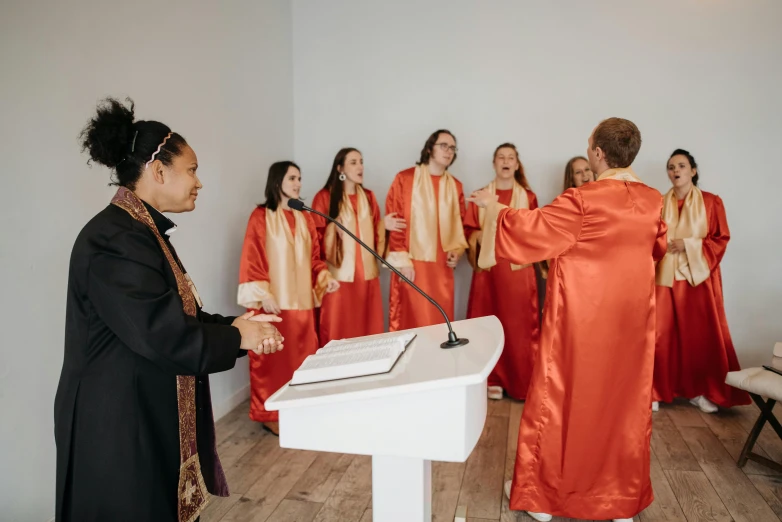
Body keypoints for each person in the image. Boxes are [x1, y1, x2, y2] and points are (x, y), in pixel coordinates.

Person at [55, 97, 284, 522]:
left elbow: (180, 315)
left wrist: (237, 325)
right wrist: (238, 337)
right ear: (158, 171)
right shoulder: (114, 238)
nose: (199, 182)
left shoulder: (141, 230)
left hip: (138, 405)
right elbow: (161, 332)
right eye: (192, 169)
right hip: (116, 423)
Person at [469, 118, 667, 522]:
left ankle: (542, 497)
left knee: (560, 402)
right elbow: (658, 246)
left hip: (581, 325)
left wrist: (496, 209)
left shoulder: (583, 200)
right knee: (622, 408)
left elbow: (531, 229)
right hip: (631, 327)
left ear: (597, 153)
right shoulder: (652, 201)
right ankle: (619, 498)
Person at [238, 161, 339, 435]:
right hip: (273, 304)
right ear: (277, 181)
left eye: (299, 178)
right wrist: (263, 293)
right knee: (274, 360)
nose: (297, 183)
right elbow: (252, 257)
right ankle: (271, 413)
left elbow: (314, 260)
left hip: (303, 305)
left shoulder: (305, 216)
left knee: (303, 358)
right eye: (292, 178)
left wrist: (325, 278)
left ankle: (302, 409)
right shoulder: (260, 216)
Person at [652, 149, 750, 413]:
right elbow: (649, 239)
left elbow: (720, 239)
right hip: (665, 277)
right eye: (671, 167)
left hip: (698, 279)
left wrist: (688, 245)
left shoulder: (711, 202)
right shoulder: (658, 203)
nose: (675, 171)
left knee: (699, 337)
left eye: (681, 165)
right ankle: (657, 390)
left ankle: (699, 391)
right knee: (660, 334)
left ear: (693, 171)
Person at [464, 143, 541, 401]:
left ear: (517, 164)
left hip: (518, 272)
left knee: (518, 327)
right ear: (494, 163)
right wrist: (478, 237)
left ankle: (521, 380)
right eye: (501, 157)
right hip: (489, 270)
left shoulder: (528, 197)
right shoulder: (481, 194)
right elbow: (469, 229)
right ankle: (492, 379)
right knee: (488, 323)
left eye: (511, 158)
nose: (506, 161)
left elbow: (534, 231)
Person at [312, 148, 404, 345]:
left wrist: (383, 226)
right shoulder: (325, 198)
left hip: (367, 278)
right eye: (353, 162)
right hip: (339, 279)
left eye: (361, 161)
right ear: (340, 168)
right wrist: (332, 230)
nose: (360, 166)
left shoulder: (369, 197)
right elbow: (314, 238)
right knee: (338, 332)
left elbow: (375, 231)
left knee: (367, 334)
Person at [384, 129, 468, 331]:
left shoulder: (455, 186)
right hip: (412, 265)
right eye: (443, 146)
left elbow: (461, 226)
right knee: (413, 322)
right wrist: (402, 262)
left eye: (452, 148)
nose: (449, 151)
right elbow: (396, 223)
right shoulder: (405, 179)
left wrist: (457, 252)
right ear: (430, 148)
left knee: (439, 324)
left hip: (441, 267)